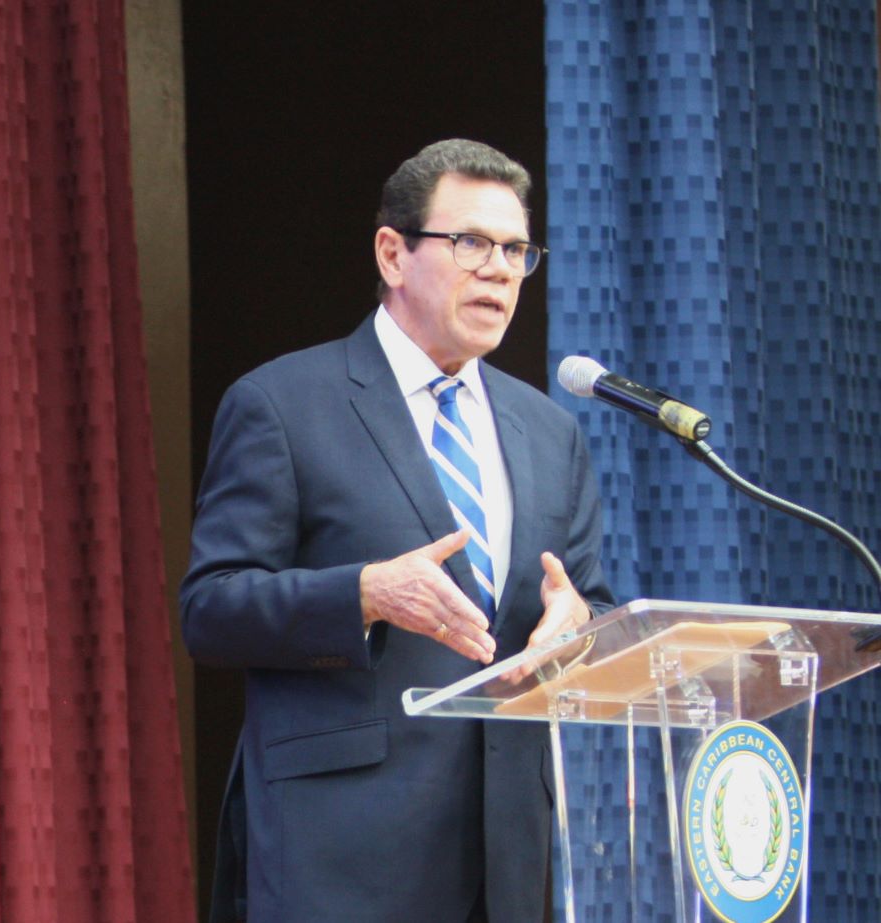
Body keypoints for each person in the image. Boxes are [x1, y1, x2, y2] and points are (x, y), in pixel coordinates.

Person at [180, 139, 616, 923]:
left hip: (506, 860)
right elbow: (211, 610)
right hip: (340, 856)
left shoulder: (551, 433)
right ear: (393, 252)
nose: (500, 269)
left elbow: (591, 606)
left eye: (517, 249)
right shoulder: (282, 404)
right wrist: (363, 593)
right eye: (472, 243)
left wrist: (578, 626)